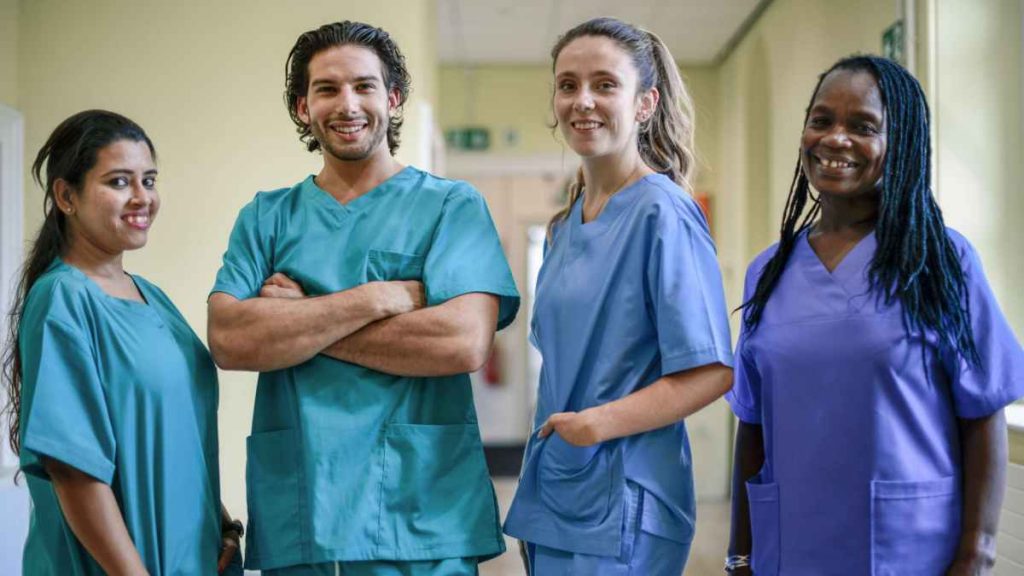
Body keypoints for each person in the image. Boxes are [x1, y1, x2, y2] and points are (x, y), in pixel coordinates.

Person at [206, 21, 519, 576]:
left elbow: (462, 342)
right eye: (327, 89)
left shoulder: (450, 206)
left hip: (419, 512)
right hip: (304, 510)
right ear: (303, 107)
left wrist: (299, 320)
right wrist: (375, 298)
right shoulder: (267, 217)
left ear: (392, 99)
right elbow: (231, 339)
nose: (347, 104)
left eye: (364, 86)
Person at [725, 55, 1024, 576]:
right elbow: (752, 427)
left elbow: (982, 414)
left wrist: (976, 553)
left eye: (863, 127)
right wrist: (740, 555)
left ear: (900, 143)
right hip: (791, 546)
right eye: (821, 120)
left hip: (909, 550)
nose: (835, 139)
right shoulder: (768, 273)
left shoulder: (941, 260)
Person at [502, 17, 734, 575]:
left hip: (625, 494)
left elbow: (710, 372)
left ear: (645, 103)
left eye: (605, 84)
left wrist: (595, 426)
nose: (582, 100)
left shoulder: (663, 212)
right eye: (568, 85)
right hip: (559, 487)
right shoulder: (564, 227)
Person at [1, 110, 242, 575]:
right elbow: (73, 470)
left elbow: (171, 434)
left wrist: (222, 525)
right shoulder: (63, 298)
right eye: (118, 182)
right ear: (66, 196)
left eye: (148, 181)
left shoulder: (153, 298)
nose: (141, 197)